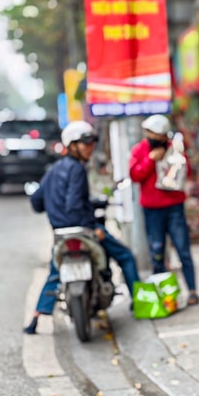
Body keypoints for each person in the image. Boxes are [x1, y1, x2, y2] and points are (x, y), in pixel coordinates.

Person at [24, 121, 141, 334]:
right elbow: (74, 204)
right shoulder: (77, 169)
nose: (90, 148)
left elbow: (36, 202)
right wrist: (90, 228)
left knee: (54, 272)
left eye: (91, 143)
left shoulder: (53, 170)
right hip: (84, 229)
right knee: (125, 256)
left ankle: (35, 319)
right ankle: (140, 301)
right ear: (71, 146)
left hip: (60, 234)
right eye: (85, 143)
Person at [129, 114, 198, 306]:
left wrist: (176, 159)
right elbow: (135, 175)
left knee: (183, 249)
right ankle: (161, 296)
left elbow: (187, 172)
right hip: (152, 211)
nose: (152, 136)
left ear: (164, 136)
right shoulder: (140, 149)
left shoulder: (175, 149)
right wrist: (151, 160)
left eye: (156, 134)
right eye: (149, 132)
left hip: (174, 207)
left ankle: (192, 291)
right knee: (157, 252)